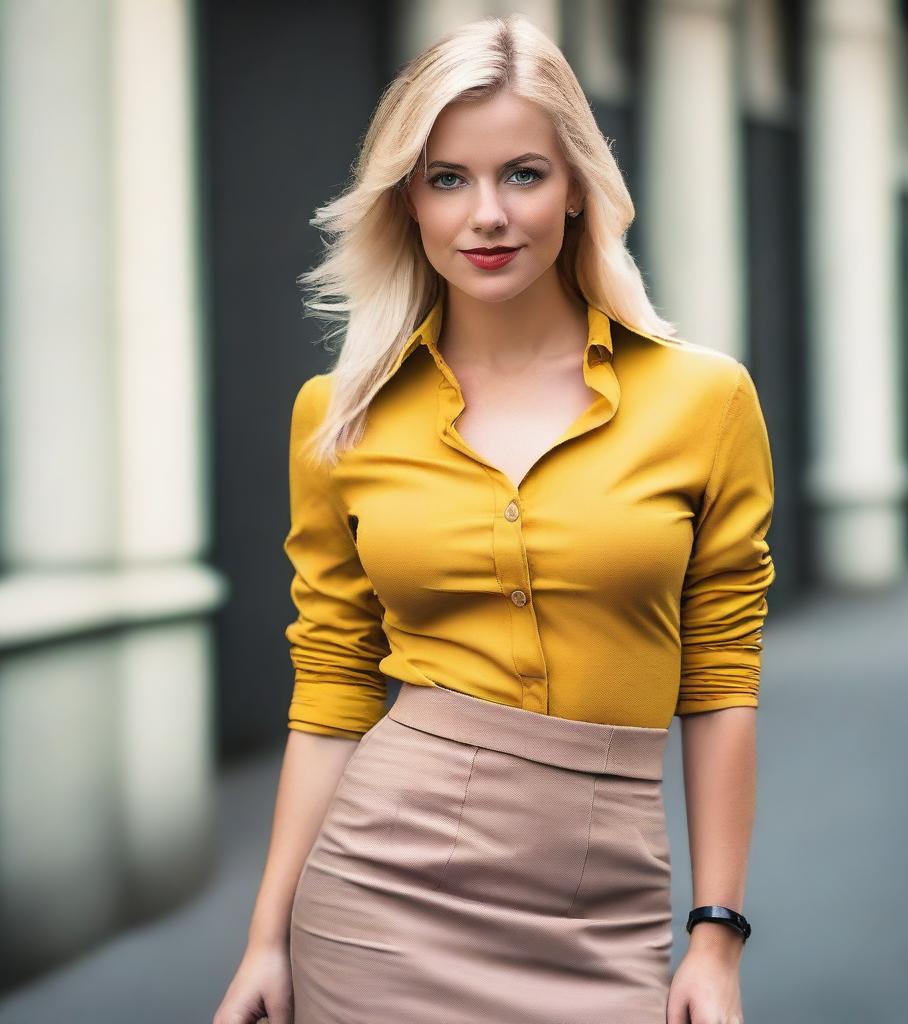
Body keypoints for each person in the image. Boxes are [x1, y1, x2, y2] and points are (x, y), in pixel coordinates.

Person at [214, 13, 775, 1024]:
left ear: (577, 191)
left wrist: (715, 933)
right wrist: (265, 937)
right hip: (381, 896)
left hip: (606, 906)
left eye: (522, 174)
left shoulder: (704, 401)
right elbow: (334, 679)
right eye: (446, 179)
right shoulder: (337, 415)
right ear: (408, 204)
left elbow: (721, 672)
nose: (486, 215)